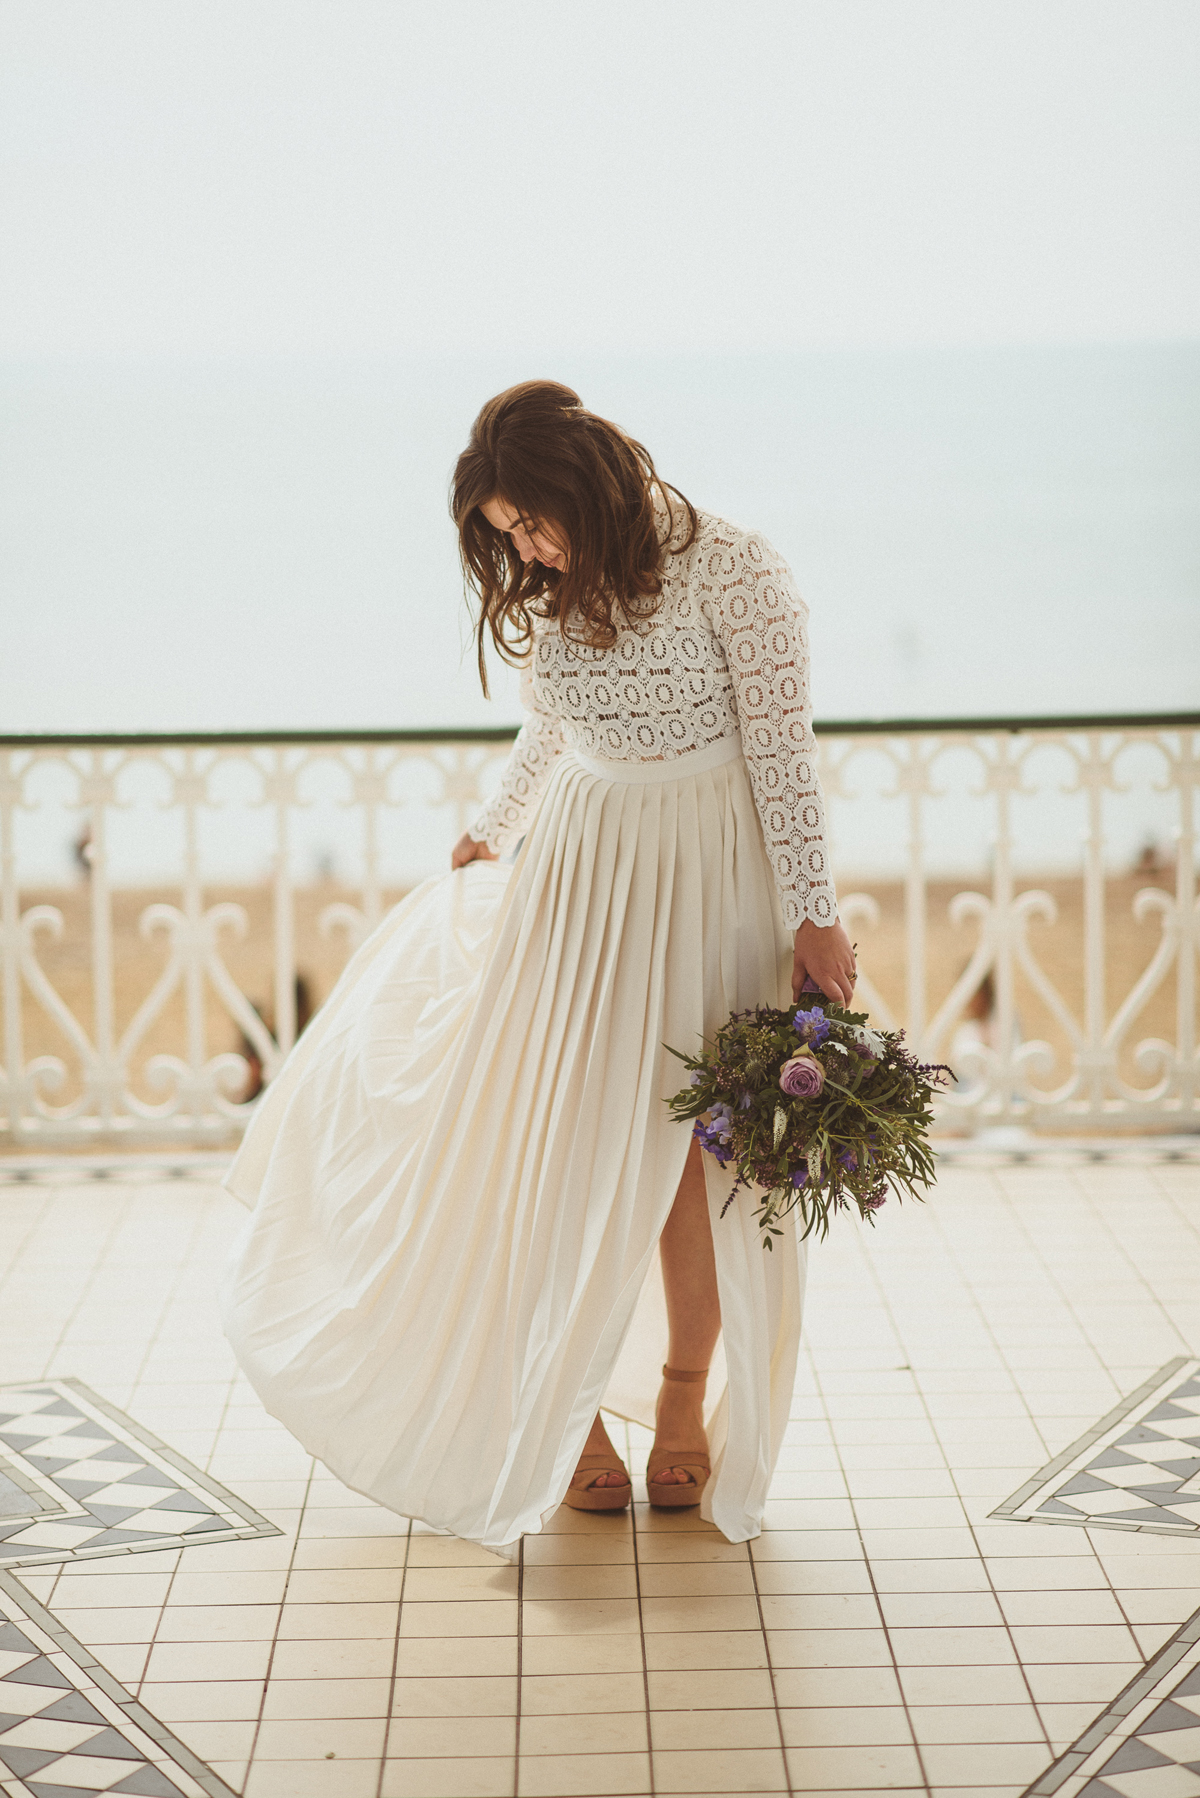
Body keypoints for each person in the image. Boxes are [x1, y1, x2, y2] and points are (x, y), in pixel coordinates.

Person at [221, 380, 855, 1559]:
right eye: (507, 534)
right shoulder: (562, 591)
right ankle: (564, 1417)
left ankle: (679, 1389)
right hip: (580, 877)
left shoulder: (738, 567)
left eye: (532, 523)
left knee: (695, 1163)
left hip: (715, 875)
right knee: (556, 1144)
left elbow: (783, 752)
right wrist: (494, 828)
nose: (526, 549)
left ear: (593, 484)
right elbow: (554, 727)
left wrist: (816, 918)